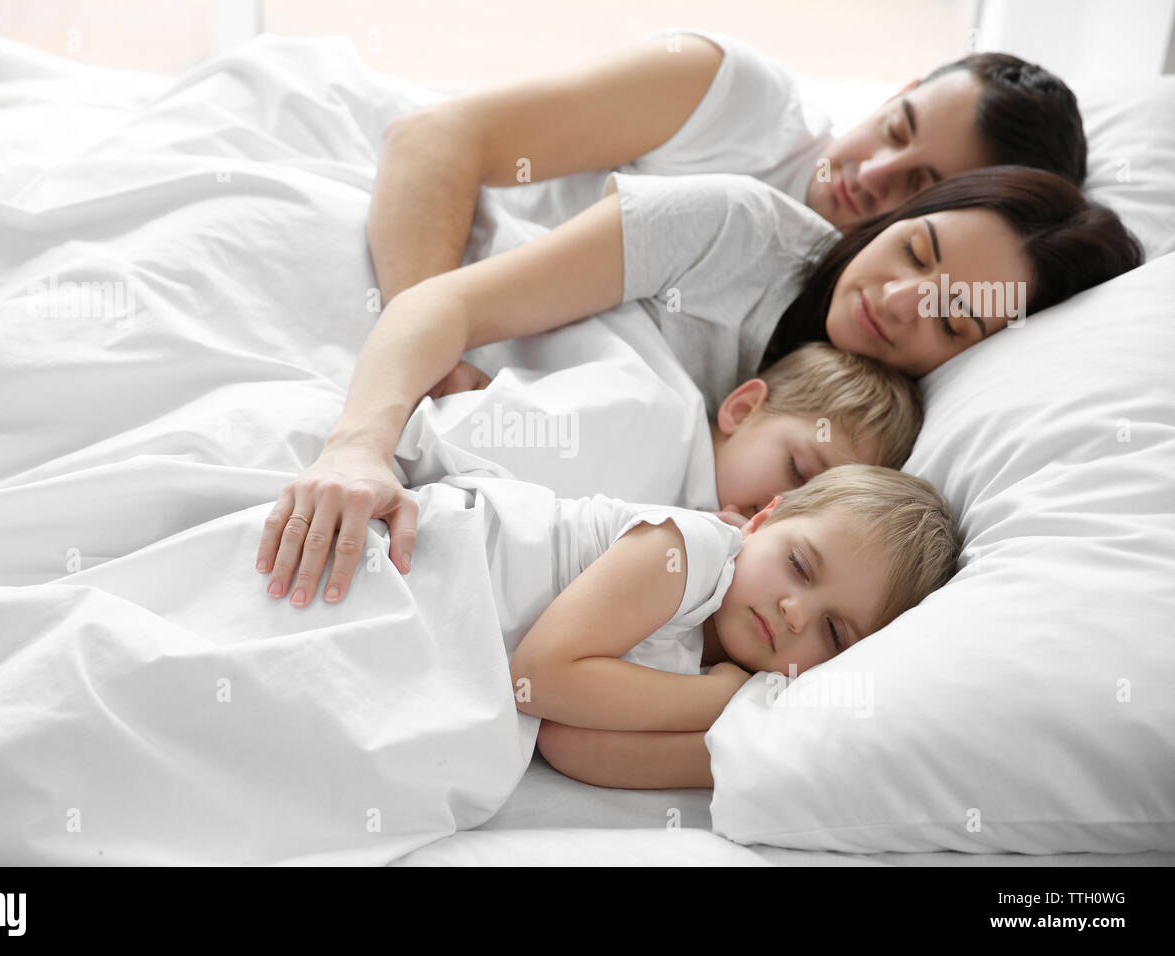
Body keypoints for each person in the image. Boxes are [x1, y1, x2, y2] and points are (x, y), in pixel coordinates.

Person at [256, 166, 1141, 603]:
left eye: (953, 319)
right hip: (399, 323)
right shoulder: (732, 230)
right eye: (914, 250)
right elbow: (446, 303)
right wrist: (362, 444)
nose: (898, 300)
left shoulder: (873, 435)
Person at [368, 30, 1090, 307]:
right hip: (427, 257)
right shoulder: (737, 97)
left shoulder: (868, 306)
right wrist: (420, 339)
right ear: (898, 93)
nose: (875, 172)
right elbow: (435, 139)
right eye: (896, 129)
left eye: (920, 187)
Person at [499, 462, 959, 789]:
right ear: (760, 521)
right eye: (799, 565)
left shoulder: (742, 679)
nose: (795, 612)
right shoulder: (685, 551)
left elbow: (567, 741)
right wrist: (714, 700)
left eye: (834, 632)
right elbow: (536, 679)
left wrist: (733, 739)